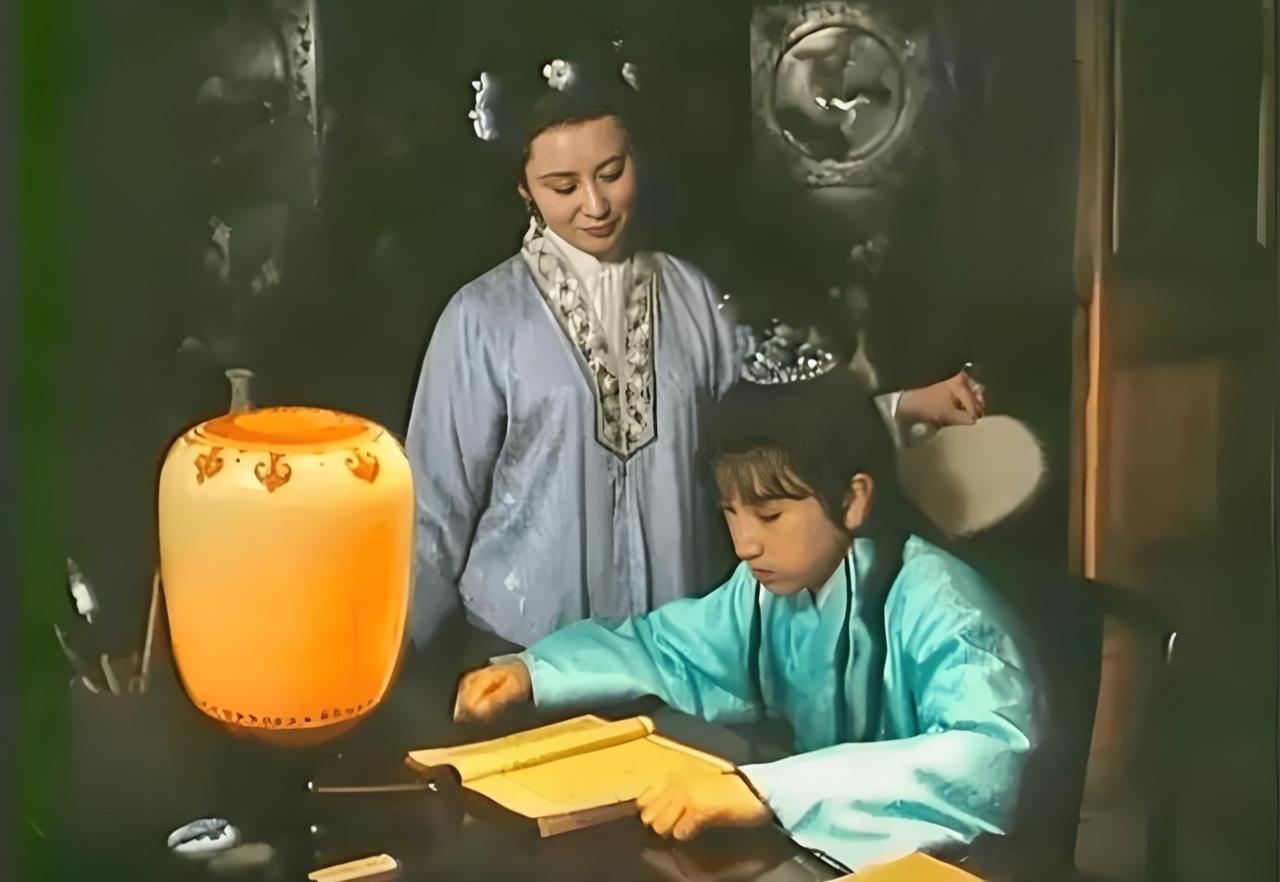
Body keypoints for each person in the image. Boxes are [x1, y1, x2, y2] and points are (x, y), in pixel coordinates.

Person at [406, 72, 984, 650]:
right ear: (525, 190)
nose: (595, 204)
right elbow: (432, 508)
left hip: (678, 645)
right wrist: (399, 650)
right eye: (563, 186)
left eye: (611, 173)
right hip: (519, 647)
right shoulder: (481, 318)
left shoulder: (693, 298)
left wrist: (907, 406)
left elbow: (780, 426)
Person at [452, 367, 1040, 872]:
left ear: (853, 498)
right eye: (731, 513)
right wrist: (536, 673)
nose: (744, 544)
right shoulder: (764, 592)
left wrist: (766, 791)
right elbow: (671, 649)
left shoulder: (944, 609)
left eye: (769, 515)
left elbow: (988, 758)